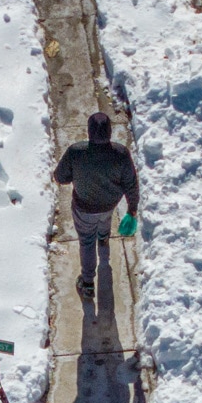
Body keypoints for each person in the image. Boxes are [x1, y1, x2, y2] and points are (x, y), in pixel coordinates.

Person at [52, 112, 139, 300]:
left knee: (86, 242)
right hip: (109, 204)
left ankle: (88, 283)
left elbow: (60, 177)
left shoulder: (76, 152)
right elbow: (130, 184)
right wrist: (132, 208)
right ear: (109, 131)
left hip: (84, 208)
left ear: (89, 131)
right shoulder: (121, 154)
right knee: (105, 218)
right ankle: (104, 238)